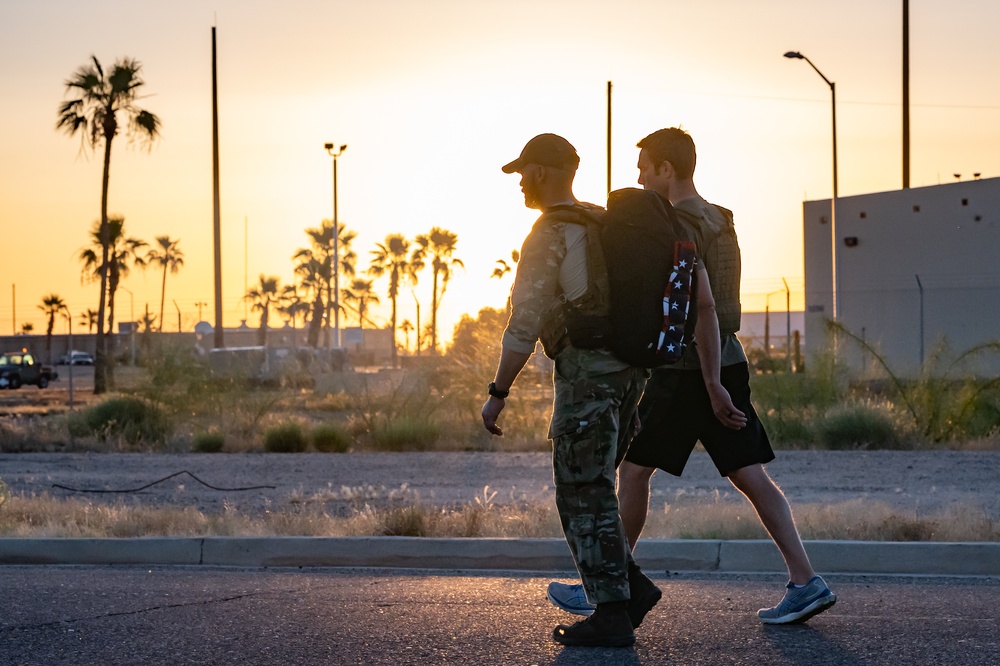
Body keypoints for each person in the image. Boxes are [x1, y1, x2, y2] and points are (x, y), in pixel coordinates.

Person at [547, 127, 837, 625]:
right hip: (728, 360)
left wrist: (708, 383)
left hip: (687, 370)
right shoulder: (721, 219)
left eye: (644, 166)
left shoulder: (673, 224)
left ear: (666, 169)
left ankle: (607, 585)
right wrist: (719, 377)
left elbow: (697, 307)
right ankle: (806, 580)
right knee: (749, 473)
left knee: (635, 470)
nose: (638, 176)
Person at [481, 133, 660, 648]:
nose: (518, 184)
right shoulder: (602, 221)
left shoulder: (551, 231)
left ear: (540, 172)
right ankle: (632, 588)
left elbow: (526, 320)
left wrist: (499, 390)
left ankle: (611, 612)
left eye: (522, 173)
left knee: (582, 492)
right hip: (631, 375)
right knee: (597, 487)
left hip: (590, 379)